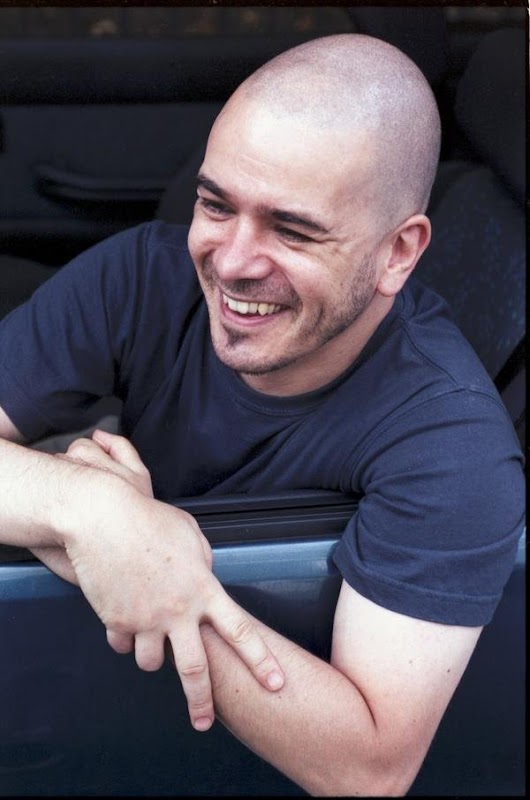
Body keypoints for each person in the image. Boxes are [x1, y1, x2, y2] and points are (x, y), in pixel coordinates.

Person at [0, 33, 524, 796]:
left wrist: (152, 584)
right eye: (216, 204)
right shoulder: (143, 276)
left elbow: (369, 768)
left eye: (292, 229)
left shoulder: (453, 444)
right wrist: (88, 512)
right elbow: (96, 522)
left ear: (399, 254)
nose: (231, 261)